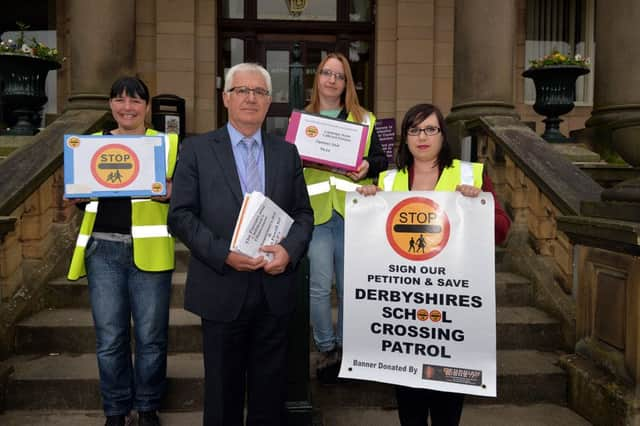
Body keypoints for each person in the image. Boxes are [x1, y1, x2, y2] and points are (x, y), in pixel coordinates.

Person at [167, 63, 314, 426]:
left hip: (274, 290)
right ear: (226, 98)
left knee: (269, 395)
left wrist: (289, 251)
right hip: (221, 288)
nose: (251, 98)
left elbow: (303, 215)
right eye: (242, 91)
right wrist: (224, 255)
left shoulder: (287, 153)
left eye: (259, 92)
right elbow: (180, 216)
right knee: (221, 395)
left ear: (269, 102)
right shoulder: (196, 149)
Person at [358, 103, 511, 426]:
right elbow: (369, 242)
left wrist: (478, 204)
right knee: (410, 409)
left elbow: (501, 229)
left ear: (443, 134)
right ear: (405, 138)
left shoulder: (469, 174)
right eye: (414, 130)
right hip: (404, 314)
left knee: (446, 410)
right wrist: (367, 202)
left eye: (430, 129)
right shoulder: (387, 180)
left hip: (450, 315)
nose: (422, 137)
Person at [67, 76, 179, 426]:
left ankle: (147, 407)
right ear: (110, 105)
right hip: (103, 250)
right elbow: (73, 199)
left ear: (147, 107)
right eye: (119, 100)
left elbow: (187, 195)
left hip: (152, 251)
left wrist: (173, 192)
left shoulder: (168, 144)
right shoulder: (89, 145)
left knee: (151, 337)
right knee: (110, 337)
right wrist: (75, 195)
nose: (126, 107)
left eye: (134, 101)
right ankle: (115, 410)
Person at [304, 52, 388, 382]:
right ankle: (327, 349)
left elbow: (383, 160)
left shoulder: (366, 119)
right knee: (320, 287)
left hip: (354, 213)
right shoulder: (303, 119)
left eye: (339, 75)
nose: (332, 80)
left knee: (352, 287)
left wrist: (370, 165)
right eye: (327, 73)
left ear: (347, 82)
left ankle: (349, 349)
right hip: (318, 215)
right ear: (318, 77)